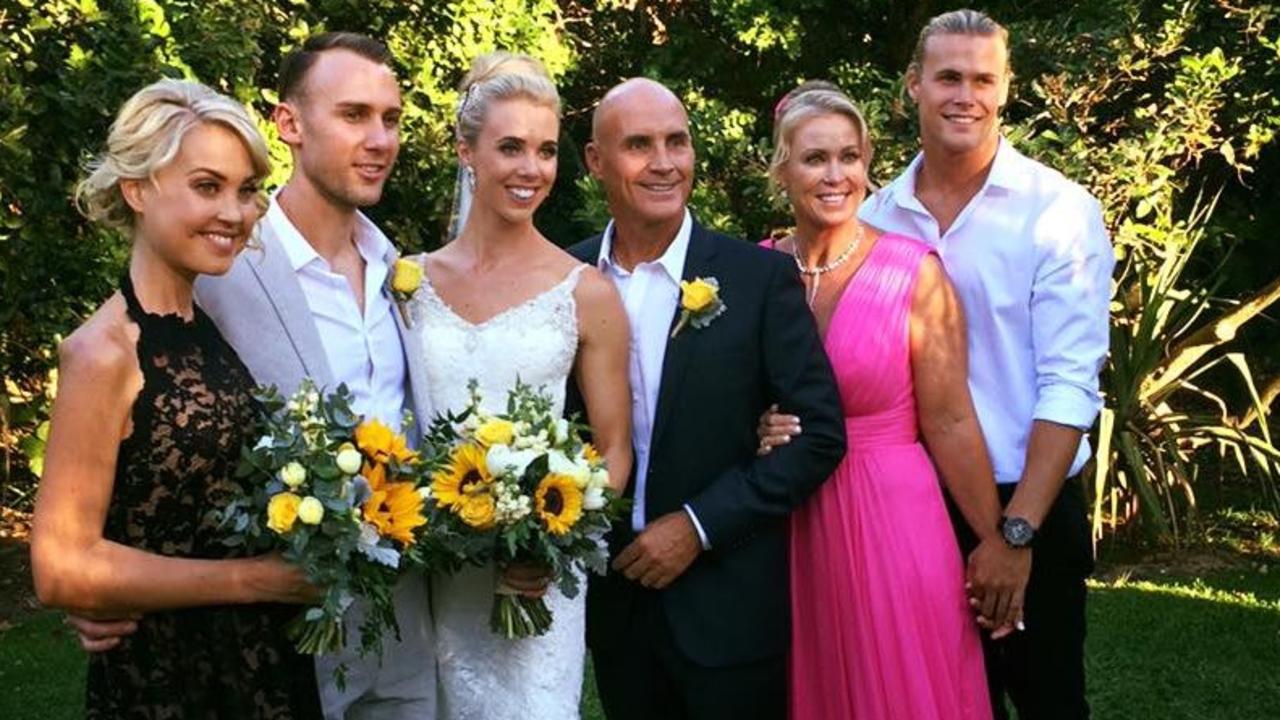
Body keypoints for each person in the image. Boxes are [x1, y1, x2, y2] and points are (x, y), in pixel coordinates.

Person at [65, 32, 440, 719]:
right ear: (289, 123)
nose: (380, 138)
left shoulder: (406, 273)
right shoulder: (215, 259)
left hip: (401, 629)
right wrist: (96, 586)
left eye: (392, 118)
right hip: (271, 642)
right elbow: (123, 419)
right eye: (354, 114)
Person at [30, 78, 323, 718]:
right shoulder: (104, 351)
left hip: (261, 664)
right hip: (169, 679)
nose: (234, 213)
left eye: (246, 191)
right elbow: (59, 566)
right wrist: (254, 580)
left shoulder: (209, 323)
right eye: (206, 186)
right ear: (137, 190)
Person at [860, 10, 1114, 719]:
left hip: (1029, 499)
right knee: (931, 701)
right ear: (913, 85)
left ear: (1006, 89)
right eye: (947, 77)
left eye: (981, 78)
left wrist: (1015, 533)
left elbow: (1070, 384)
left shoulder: (1058, 213)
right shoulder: (877, 216)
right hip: (912, 507)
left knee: (1047, 700)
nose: (963, 95)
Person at [568, 78, 847, 720]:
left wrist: (697, 526)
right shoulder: (564, 277)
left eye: (677, 142)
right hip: (618, 608)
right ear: (595, 160)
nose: (665, 162)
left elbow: (821, 433)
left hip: (729, 604)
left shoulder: (757, 278)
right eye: (639, 145)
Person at [761, 80, 1009, 720]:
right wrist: (754, 426)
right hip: (785, 523)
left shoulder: (914, 271)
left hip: (891, 519)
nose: (835, 175)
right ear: (782, 169)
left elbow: (951, 419)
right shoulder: (753, 269)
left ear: (868, 165)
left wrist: (996, 540)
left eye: (850, 156)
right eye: (815, 158)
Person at [404, 52, 633, 720]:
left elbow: (615, 448)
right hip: (425, 571)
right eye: (510, 148)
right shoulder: (407, 283)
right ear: (465, 152)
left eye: (545, 151)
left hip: (531, 583)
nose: (531, 169)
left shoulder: (585, 291)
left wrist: (551, 540)